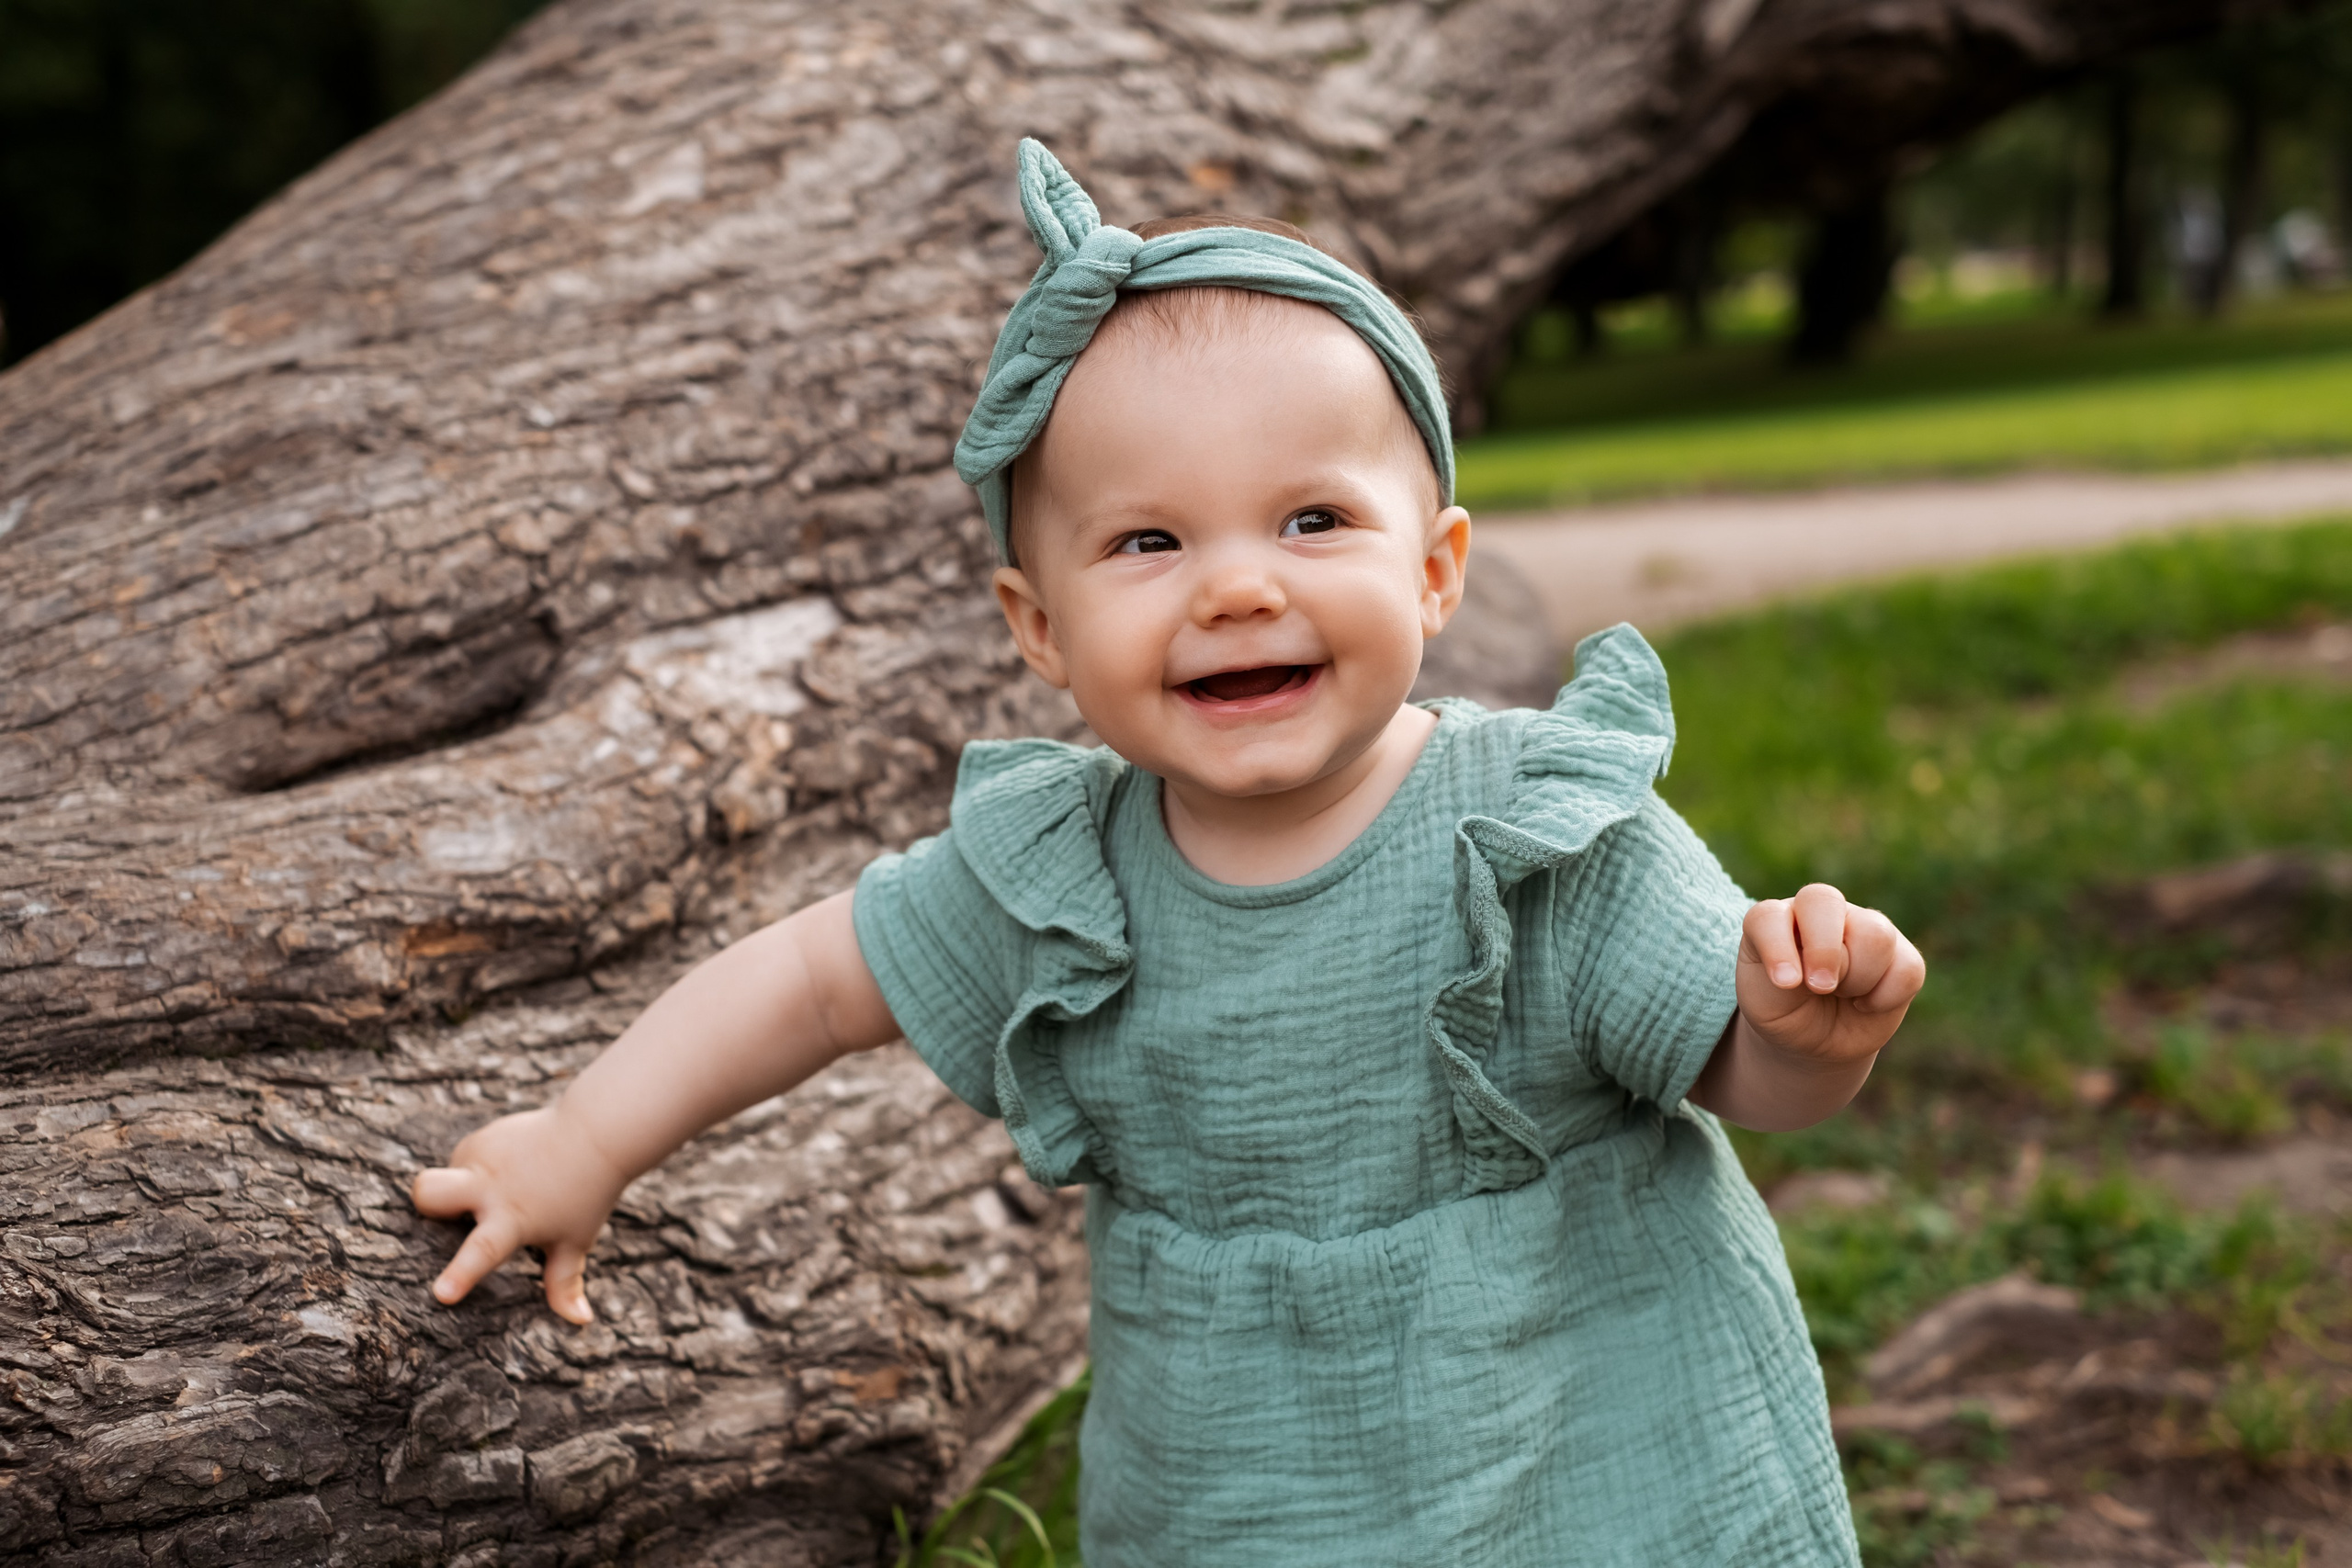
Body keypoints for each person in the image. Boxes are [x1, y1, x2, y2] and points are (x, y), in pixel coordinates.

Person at [413, 141, 1925, 1564]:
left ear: (1438, 570)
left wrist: (1809, 1033)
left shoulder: (1541, 833)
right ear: (1041, 629)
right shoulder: (1066, 870)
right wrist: (587, 1141)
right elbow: (815, 982)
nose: (1238, 589)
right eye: (1150, 543)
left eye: (1313, 520)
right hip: (1238, 1468)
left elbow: (1737, 1071)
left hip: (1592, 1442)